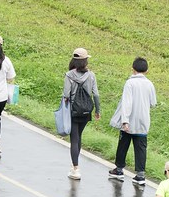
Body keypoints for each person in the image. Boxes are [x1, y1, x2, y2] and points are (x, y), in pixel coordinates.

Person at [109, 56, 157, 185]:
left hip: (129, 120)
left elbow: (127, 102)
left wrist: (124, 120)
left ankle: (119, 169)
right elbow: (153, 103)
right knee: (141, 147)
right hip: (143, 121)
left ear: (133, 69)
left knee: (123, 145)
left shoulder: (130, 83)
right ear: (147, 71)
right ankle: (140, 175)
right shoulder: (149, 84)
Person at [62, 48, 100, 180]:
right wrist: (97, 110)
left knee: (74, 139)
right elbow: (96, 94)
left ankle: (75, 168)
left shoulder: (69, 75)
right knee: (79, 137)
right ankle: (74, 166)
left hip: (73, 110)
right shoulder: (91, 75)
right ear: (85, 61)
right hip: (86, 110)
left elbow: (66, 95)